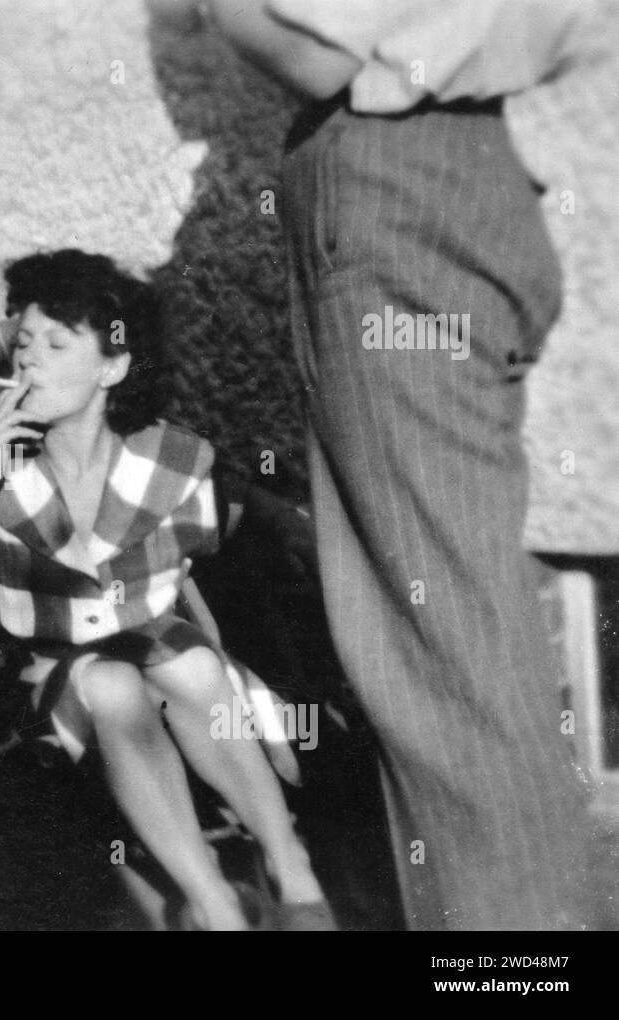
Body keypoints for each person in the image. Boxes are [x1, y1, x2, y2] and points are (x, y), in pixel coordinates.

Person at [207, 0, 601, 928]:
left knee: (442, 657)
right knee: (444, 639)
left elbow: (306, 47)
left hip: (396, 173)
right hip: (450, 174)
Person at [0, 250, 331, 930]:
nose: (28, 360)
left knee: (186, 662)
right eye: (23, 343)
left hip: (172, 661)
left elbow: (264, 530)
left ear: (114, 367)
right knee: (111, 684)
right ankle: (217, 905)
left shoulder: (173, 461)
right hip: (53, 682)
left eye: (56, 343)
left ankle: (291, 866)